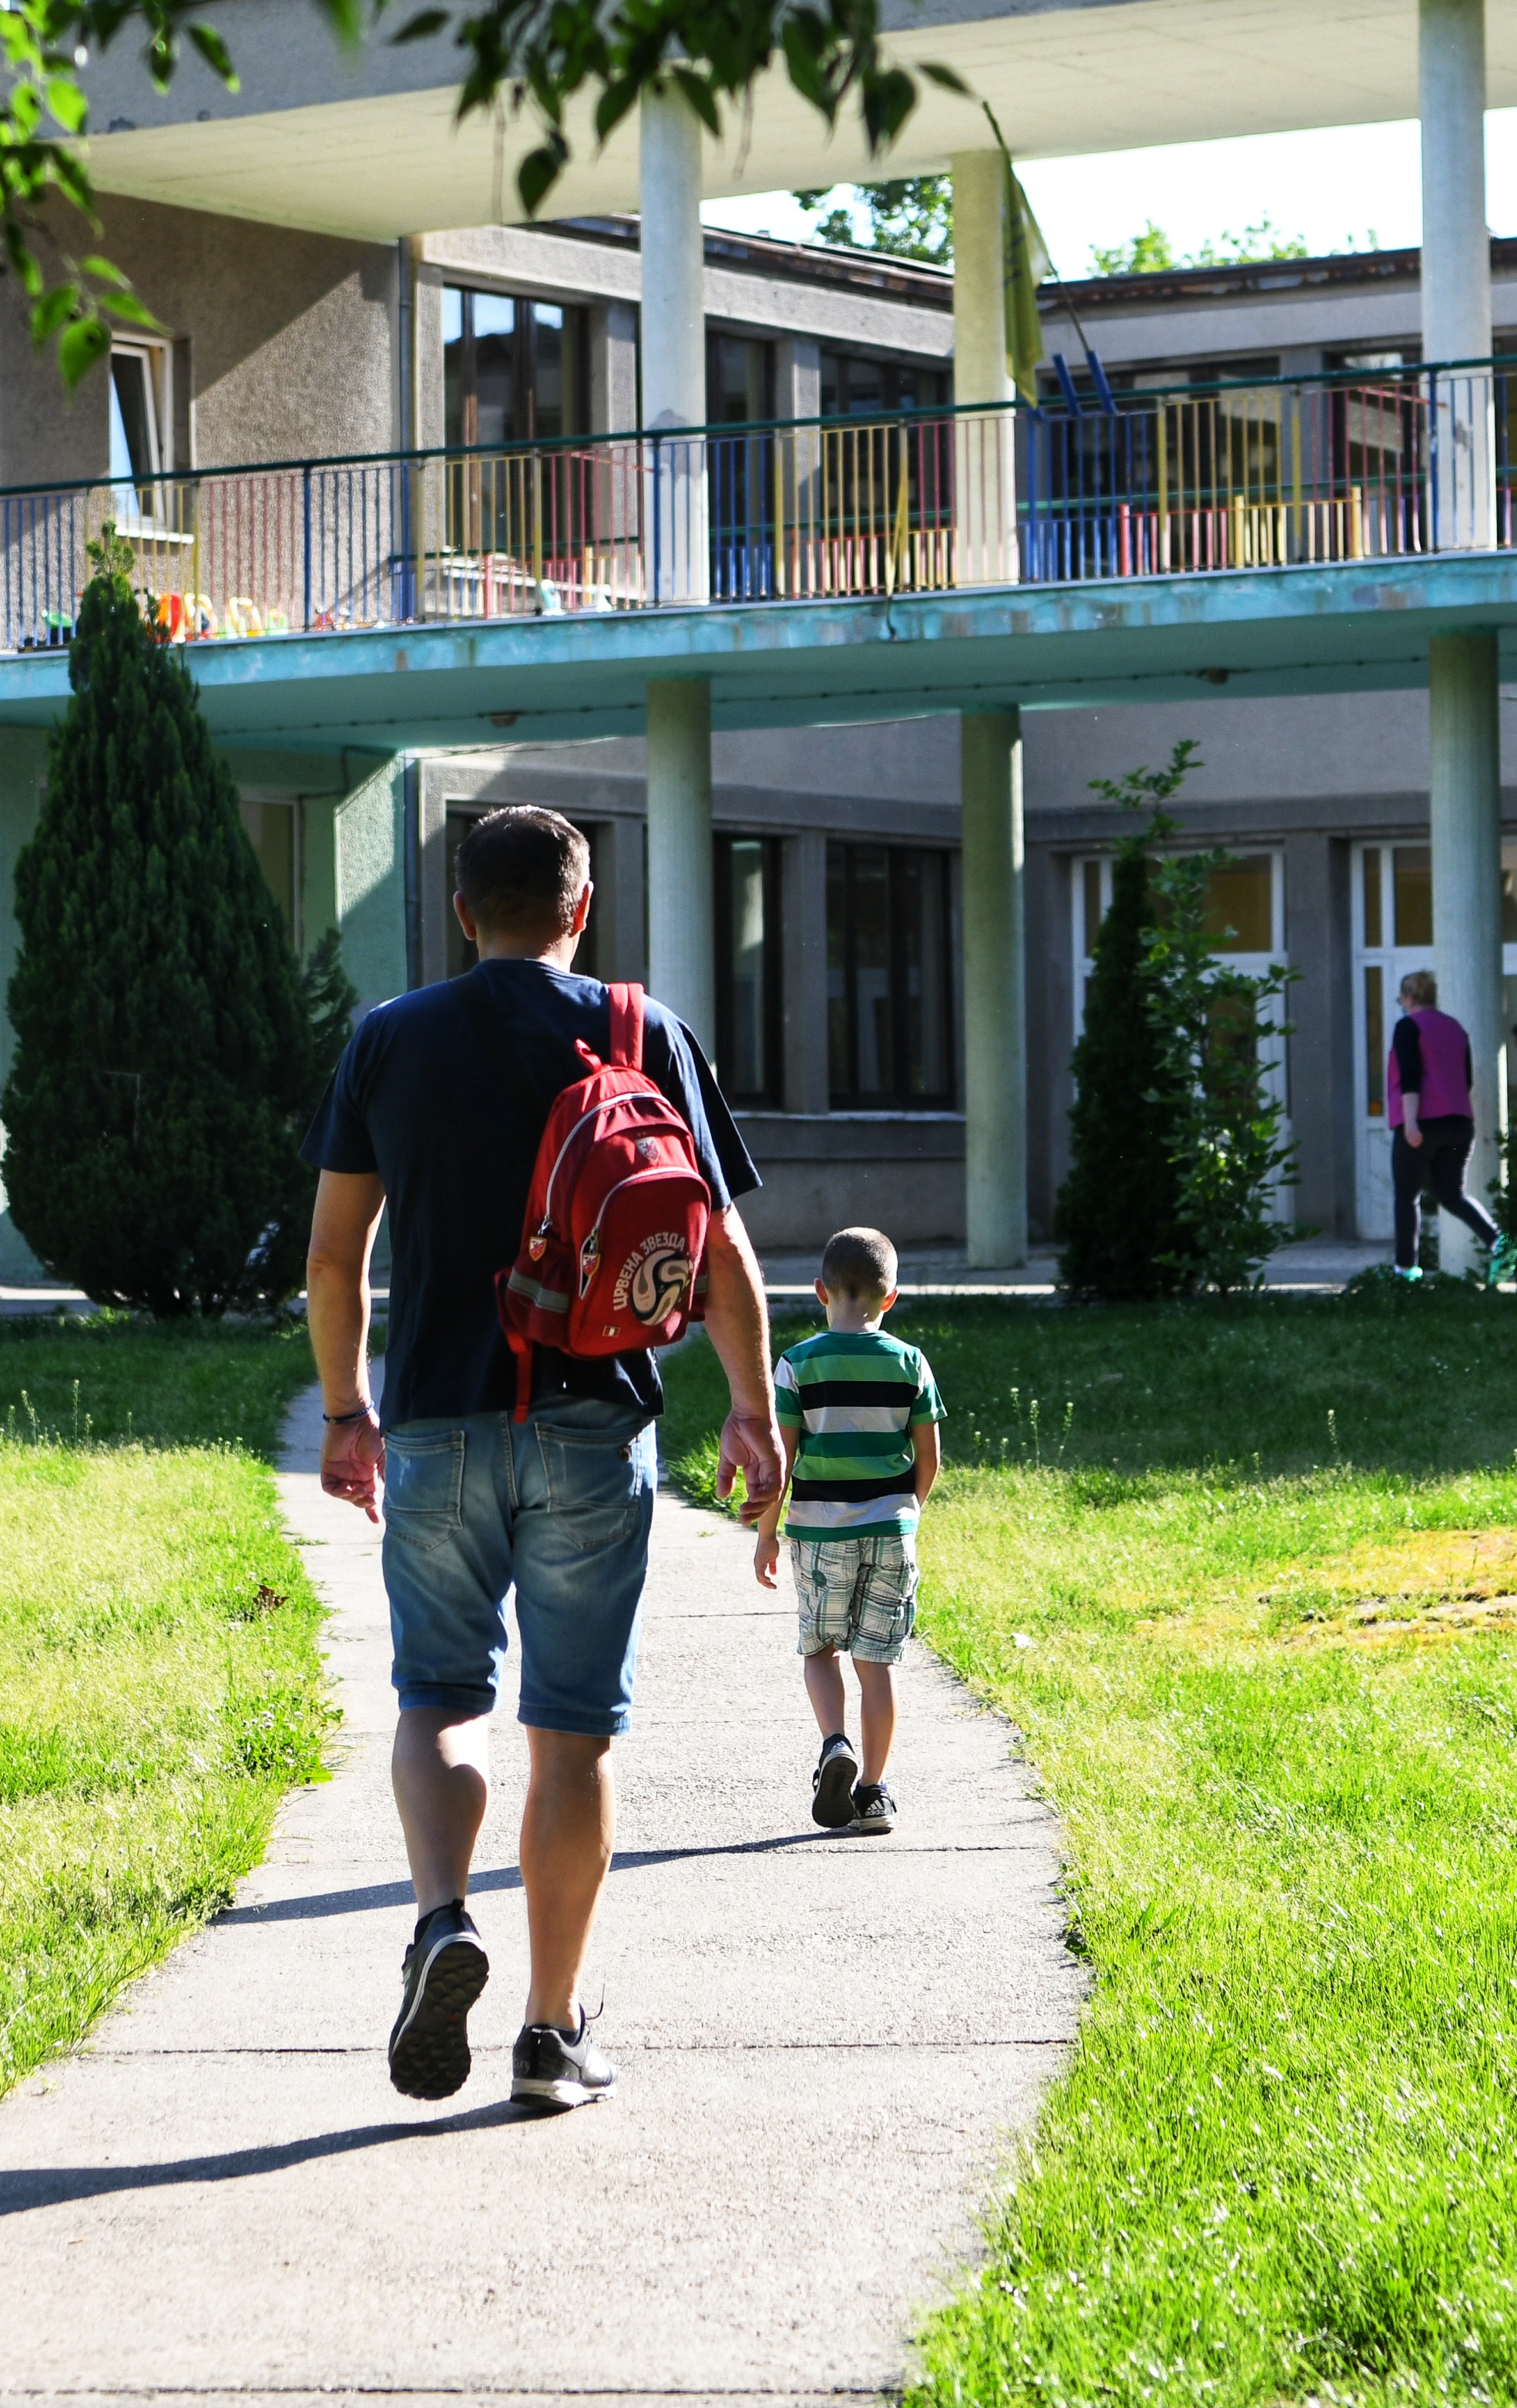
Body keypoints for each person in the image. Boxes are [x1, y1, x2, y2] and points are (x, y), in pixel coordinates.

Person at [304, 805, 785, 2117]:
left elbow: (336, 1256)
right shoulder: (644, 1030)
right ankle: (547, 2030)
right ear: (580, 909)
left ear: (461, 912)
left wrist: (346, 1413)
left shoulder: (387, 1040)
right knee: (570, 1735)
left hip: (439, 1422)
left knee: (438, 1695)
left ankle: (439, 1917)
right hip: (594, 1422)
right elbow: (723, 1252)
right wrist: (752, 1408)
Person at [750, 1224, 943, 1835]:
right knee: (875, 1663)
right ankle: (874, 1792)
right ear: (890, 1297)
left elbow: (779, 1463)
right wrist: (904, 1510)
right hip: (889, 1529)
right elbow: (929, 1458)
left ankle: (834, 1743)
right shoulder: (910, 1361)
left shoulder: (797, 1364)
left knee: (819, 1649)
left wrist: (766, 1534)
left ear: (818, 1291)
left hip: (818, 1533)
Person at [1385, 968, 1500, 1274]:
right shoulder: (1456, 1029)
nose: (1401, 1003)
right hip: (1459, 1124)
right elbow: (1467, 1080)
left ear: (1410, 997)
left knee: (1407, 1196)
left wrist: (1410, 1123)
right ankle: (1502, 1244)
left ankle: (1405, 1271)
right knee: (1452, 1195)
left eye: (1401, 998)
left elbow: (1410, 1077)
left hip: (1423, 1123)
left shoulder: (1408, 1027)